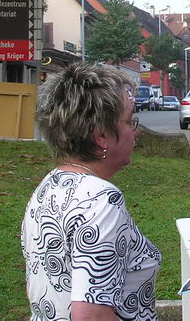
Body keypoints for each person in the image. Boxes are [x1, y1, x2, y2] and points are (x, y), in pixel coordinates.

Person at [22, 63, 162, 321]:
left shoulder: (48, 187)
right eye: (130, 121)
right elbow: (92, 316)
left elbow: (41, 287)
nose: (136, 131)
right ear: (101, 136)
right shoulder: (101, 202)